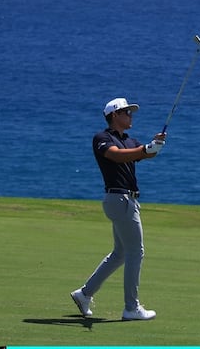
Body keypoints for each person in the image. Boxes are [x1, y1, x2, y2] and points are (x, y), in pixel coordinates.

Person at [70, 97, 166, 321]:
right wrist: (146, 148)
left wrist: (156, 145)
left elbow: (143, 153)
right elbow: (115, 155)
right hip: (118, 199)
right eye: (127, 113)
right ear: (115, 115)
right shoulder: (102, 138)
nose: (131, 116)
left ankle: (84, 294)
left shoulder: (130, 140)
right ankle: (131, 308)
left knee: (120, 253)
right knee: (136, 252)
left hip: (128, 200)